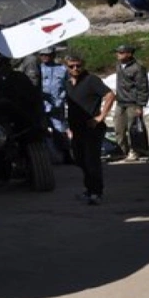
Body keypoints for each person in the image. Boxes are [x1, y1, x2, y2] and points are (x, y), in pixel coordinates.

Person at [0, 56, 45, 182]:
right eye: (1, 66)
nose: (3, 69)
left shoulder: (19, 79)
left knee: (30, 138)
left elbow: (32, 97)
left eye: (5, 66)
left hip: (17, 118)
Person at [64, 53, 114, 205]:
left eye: (78, 65)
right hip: (76, 128)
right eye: (71, 66)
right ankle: (89, 189)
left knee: (92, 161)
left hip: (92, 128)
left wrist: (100, 117)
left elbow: (110, 95)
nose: (75, 69)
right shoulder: (68, 83)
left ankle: (96, 192)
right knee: (79, 160)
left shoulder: (91, 80)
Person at [112, 44, 149, 161]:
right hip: (120, 101)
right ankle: (122, 150)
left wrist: (140, 105)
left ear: (128, 54)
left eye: (121, 52)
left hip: (133, 102)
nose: (118, 55)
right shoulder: (119, 66)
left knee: (133, 129)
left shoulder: (138, 68)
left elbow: (143, 87)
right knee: (119, 128)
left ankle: (135, 150)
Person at [38, 45, 73, 165]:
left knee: (60, 130)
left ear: (53, 55)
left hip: (57, 105)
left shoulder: (62, 69)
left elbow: (67, 86)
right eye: (42, 55)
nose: (45, 57)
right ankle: (43, 158)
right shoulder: (37, 69)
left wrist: (62, 100)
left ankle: (66, 155)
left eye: (47, 55)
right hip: (41, 106)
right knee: (41, 131)